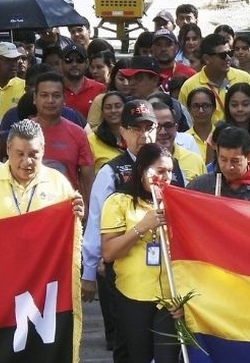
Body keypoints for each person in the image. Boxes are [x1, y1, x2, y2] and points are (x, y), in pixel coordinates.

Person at [83, 100, 170, 359]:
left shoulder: (169, 169)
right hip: (121, 274)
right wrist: (88, 271)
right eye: (135, 128)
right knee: (126, 346)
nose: (144, 135)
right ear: (123, 131)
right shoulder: (110, 171)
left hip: (167, 283)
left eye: (149, 127)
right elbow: (96, 223)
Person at [101, 143, 183, 363]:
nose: (166, 177)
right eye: (160, 171)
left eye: (170, 171)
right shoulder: (119, 201)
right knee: (139, 357)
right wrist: (141, 227)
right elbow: (109, 253)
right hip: (133, 296)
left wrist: (184, 295)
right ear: (142, 171)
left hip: (170, 297)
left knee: (168, 358)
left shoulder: (179, 202)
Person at [0, 119, 84, 226]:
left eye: (33, 154)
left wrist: (76, 215)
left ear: (43, 150)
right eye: (20, 154)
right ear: (8, 149)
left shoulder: (58, 182)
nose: (27, 162)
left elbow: (67, 235)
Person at [32, 72, 95, 202]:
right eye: (44, 95)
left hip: (67, 208)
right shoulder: (22, 132)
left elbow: (88, 179)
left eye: (56, 95)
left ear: (64, 99)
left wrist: (89, 211)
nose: (50, 100)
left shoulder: (78, 133)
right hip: (30, 209)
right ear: (34, 98)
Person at [187, 125, 250, 203]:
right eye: (223, 160)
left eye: (235, 161)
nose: (229, 167)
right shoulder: (200, 186)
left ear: (249, 156)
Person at [178, 33, 250, 125]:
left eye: (230, 53)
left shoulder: (244, 78)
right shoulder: (189, 86)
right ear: (207, 58)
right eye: (223, 55)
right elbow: (184, 122)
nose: (228, 58)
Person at [152, 101, 205, 183]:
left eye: (168, 125)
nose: (163, 132)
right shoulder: (139, 161)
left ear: (176, 127)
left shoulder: (195, 160)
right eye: (157, 127)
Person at [61, 44, 106, 118]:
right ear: (62, 63)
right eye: (68, 60)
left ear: (87, 63)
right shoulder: (53, 90)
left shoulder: (100, 89)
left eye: (79, 60)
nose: (74, 64)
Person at [87, 91, 125, 171]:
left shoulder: (134, 136)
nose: (113, 110)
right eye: (108, 107)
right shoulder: (91, 140)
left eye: (118, 106)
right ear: (102, 112)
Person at [185, 87, 217, 165]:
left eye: (205, 106)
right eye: (196, 106)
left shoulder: (221, 135)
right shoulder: (183, 140)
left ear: (213, 108)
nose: (201, 111)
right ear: (189, 109)